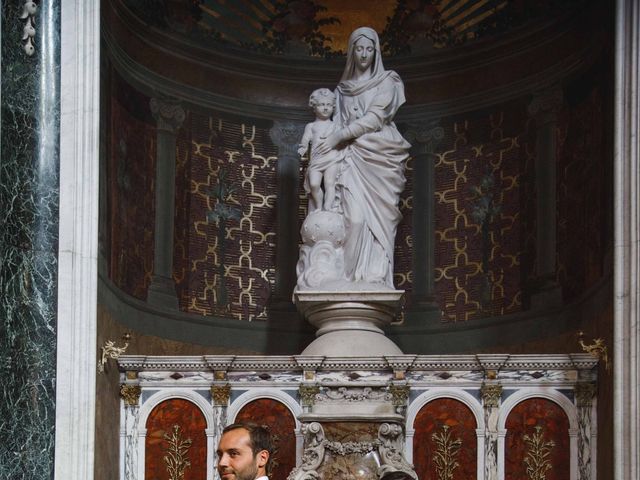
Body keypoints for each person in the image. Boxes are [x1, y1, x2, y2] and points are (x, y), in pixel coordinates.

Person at [312, 27, 411, 288]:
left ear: (376, 52)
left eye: (369, 49)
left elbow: (375, 118)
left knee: (379, 220)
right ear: (351, 52)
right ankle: (345, 279)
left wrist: (339, 136)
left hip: (380, 157)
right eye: (359, 48)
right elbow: (330, 126)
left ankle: (375, 275)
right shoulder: (341, 91)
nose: (364, 54)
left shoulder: (387, 82)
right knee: (353, 219)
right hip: (351, 158)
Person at [298, 88, 343, 212]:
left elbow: (342, 140)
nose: (325, 108)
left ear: (333, 107)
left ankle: (328, 206)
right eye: (322, 104)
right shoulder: (311, 126)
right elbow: (306, 139)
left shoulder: (336, 126)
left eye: (329, 105)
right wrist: (303, 147)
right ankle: (318, 206)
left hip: (332, 158)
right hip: (316, 159)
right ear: (314, 107)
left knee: (330, 183)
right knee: (314, 184)